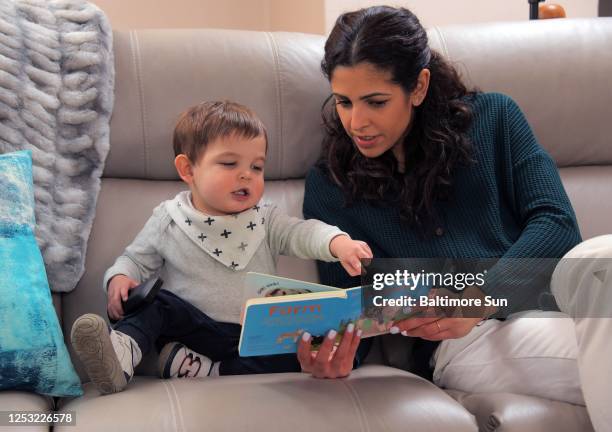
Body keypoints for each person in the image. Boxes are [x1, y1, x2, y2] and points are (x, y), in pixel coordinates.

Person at [297, 6, 611, 431]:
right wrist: (331, 352)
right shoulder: (330, 185)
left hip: (557, 297)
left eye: (376, 102)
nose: (357, 122)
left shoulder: (495, 118)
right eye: (344, 102)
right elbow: (348, 306)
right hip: (464, 339)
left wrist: (482, 296)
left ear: (419, 86)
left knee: (604, 254)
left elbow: (557, 225)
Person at [71, 100, 371, 395]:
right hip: (190, 329)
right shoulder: (170, 218)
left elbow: (302, 233)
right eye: (229, 163)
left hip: (252, 335)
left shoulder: (265, 217)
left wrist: (337, 242)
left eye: (257, 166)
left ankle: (207, 371)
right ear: (188, 169)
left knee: (298, 349)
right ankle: (120, 355)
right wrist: (119, 278)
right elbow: (134, 260)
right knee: (157, 303)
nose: (246, 175)